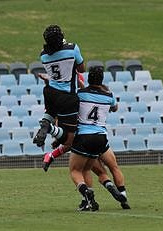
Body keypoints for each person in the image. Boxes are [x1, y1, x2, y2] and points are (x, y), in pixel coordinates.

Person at [69, 66, 130, 211]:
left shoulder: (80, 94)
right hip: (101, 138)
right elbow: (115, 107)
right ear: (102, 80)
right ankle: (123, 196)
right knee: (113, 167)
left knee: (77, 170)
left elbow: (75, 102)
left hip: (84, 137)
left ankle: (86, 195)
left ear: (89, 78)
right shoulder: (108, 96)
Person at [32, 24, 85, 171]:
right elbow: (82, 69)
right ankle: (49, 129)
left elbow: (58, 73)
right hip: (67, 97)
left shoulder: (43, 54)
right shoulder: (72, 49)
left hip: (50, 91)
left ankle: (45, 123)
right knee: (69, 139)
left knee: (50, 112)